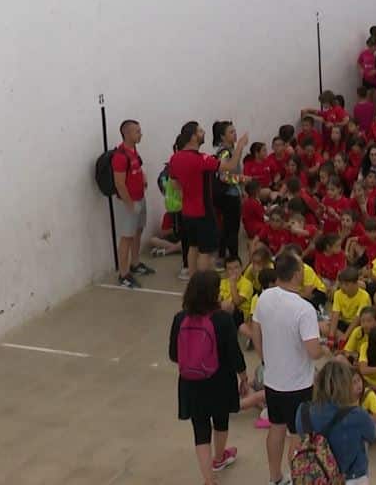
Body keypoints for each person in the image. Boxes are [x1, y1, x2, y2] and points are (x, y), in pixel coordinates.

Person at [253, 253, 329, 485]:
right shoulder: (304, 309)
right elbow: (313, 351)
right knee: (297, 436)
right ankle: (298, 478)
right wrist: (324, 347)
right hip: (298, 384)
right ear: (297, 274)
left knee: (275, 429)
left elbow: (256, 330)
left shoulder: (264, 297)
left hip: (273, 379)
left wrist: (265, 358)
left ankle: (274, 478)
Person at [169, 270, 247, 485]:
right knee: (221, 420)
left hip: (190, 383)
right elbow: (234, 354)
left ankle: (208, 480)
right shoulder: (222, 319)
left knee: (200, 429)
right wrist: (244, 377)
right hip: (220, 381)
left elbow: (173, 355)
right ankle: (220, 458)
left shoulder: (180, 318)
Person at [169, 122, 247, 274]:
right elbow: (230, 166)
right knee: (206, 252)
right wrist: (240, 146)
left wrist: (189, 191)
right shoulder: (201, 159)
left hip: (187, 212)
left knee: (192, 247)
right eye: (200, 131)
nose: (203, 132)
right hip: (203, 212)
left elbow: (174, 184)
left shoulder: (175, 158)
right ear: (192, 137)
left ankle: (193, 279)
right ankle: (203, 285)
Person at [295, 359, 376, 485]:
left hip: (315, 474)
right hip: (350, 475)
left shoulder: (303, 410)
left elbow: (301, 436)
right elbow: (372, 435)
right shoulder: (357, 414)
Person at [112, 119, 154, 288]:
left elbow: (138, 167)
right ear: (127, 134)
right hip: (128, 203)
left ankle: (135, 264)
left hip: (140, 198)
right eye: (137, 131)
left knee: (138, 231)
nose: (140, 134)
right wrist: (130, 205)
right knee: (126, 238)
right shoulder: (119, 157)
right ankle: (123, 275)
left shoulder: (133, 151)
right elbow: (119, 184)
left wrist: (143, 178)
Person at [212, 120, 245, 262]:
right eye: (231, 132)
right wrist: (242, 180)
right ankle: (233, 258)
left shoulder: (231, 150)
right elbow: (224, 177)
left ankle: (223, 255)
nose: (235, 134)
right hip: (228, 196)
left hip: (233, 193)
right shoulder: (225, 153)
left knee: (227, 227)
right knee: (232, 229)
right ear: (222, 137)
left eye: (234, 131)